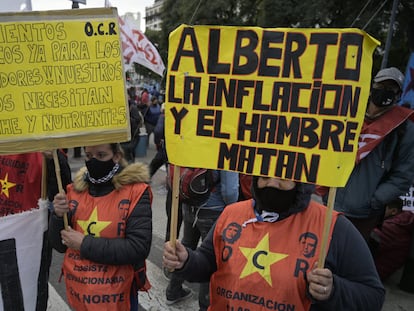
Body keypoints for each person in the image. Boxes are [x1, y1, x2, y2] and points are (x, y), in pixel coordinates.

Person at [163, 176, 385, 310]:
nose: (273, 184)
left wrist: (333, 290)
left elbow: (373, 296)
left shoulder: (332, 226)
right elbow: (207, 264)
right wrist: (186, 261)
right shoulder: (232, 214)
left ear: (300, 183)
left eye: (284, 178)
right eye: (265, 177)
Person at [49, 143, 152, 311]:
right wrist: (58, 216)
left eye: (101, 155)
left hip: (118, 295)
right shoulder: (74, 190)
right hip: (79, 293)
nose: (94, 161)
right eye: (89, 156)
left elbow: (138, 248)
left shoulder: (136, 192)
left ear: (117, 156)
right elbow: (59, 245)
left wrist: (84, 244)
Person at [316, 67, 414, 241]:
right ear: (371, 86)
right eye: (380, 86)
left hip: (362, 216)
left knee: (345, 263)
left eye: (391, 90)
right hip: (326, 203)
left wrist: (372, 200)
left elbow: (403, 176)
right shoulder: (348, 114)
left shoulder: (404, 129)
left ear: (398, 95)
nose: (384, 92)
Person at [0, 151, 71, 311]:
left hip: (31, 238)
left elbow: (64, 187)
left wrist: (53, 159)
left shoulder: (42, 144)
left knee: (30, 295)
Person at [165, 170, 239, 310]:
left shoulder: (195, 147)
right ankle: (205, 304)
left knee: (187, 246)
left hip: (189, 204)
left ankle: (173, 291)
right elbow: (230, 191)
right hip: (214, 209)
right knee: (210, 258)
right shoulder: (225, 149)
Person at [369, 198, 414, 280]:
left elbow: (369, 238)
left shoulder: (393, 228)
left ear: (393, 211)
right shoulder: (400, 225)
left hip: (374, 273)